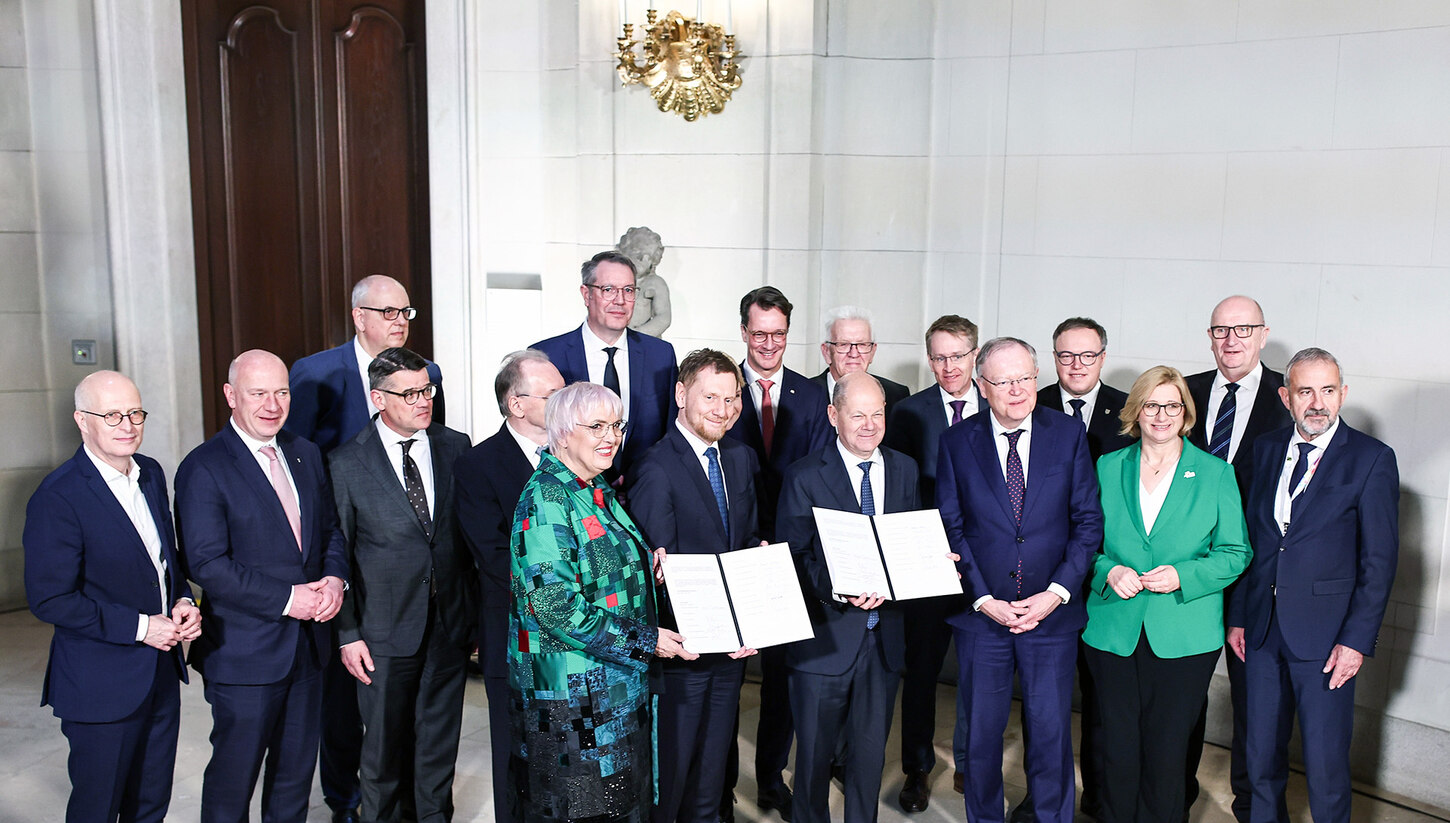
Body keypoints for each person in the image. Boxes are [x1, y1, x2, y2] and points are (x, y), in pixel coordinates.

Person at [285, 273, 443, 822]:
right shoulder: (317, 373)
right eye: (388, 311)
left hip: (404, 556)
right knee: (344, 698)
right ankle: (344, 800)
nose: (400, 320)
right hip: (338, 542)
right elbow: (297, 455)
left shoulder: (425, 372)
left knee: (403, 712)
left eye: (407, 311)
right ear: (359, 316)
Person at [175, 349, 349, 823]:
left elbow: (330, 530)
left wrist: (334, 579)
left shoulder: (304, 452)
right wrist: (290, 599)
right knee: (234, 780)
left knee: (294, 780)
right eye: (258, 393)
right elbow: (205, 563)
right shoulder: (204, 467)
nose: (272, 404)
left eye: (281, 392)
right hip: (244, 654)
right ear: (231, 396)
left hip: (309, 650)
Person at [508, 382, 695, 822]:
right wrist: (646, 641)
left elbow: (597, 567)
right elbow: (555, 606)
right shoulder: (546, 497)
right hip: (571, 704)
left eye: (615, 425)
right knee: (582, 808)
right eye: (596, 426)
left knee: (618, 805)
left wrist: (645, 567)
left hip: (610, 690)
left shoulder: (593, 486)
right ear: (561, 431)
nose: (610, 436)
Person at [1228, 348, 1399, 823]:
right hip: (1260, 633)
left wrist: (1355, 641)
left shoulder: (1371, 459)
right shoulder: (1264, 449)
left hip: (1327, 639)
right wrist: (1239, 616)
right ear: (1286, 397)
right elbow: (1254, 542)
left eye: (1328, 390)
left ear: (1343, 394)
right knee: (1259, 757)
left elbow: (1379, 562)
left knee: (1325, 766)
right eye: (1306, 391)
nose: (1317, 402)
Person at [936, 337, 1103, 823]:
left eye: (1026, 378)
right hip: (982, 618)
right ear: (982, 386)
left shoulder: (1068, 434)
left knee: (1051, 736)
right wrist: (983, 597)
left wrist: (1055, 594)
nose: (1018, 390)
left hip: (1050, 617)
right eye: (1004, 381)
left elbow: (1087, 522)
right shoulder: (956, 441)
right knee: (982, 738)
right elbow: (952, 526)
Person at [23, 371, 201, 823]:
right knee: (98, 809)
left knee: (150, 805)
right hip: (99, 684)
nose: (128, 425)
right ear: (83, 421)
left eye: (135, 413)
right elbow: (50, 599)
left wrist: (182, 600)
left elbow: (164, 561)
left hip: (160, 674)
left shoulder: (151, 474)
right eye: (112, 415)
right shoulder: (59, 496)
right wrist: (144, 626)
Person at [1082, 366, 1251, 823]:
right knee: (1115, 746)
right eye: (1151, 405)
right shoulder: (1107, 466)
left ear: (1186, 412)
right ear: (1135, 411)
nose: (1161, 415)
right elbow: (1084, 543)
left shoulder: (1215, 473)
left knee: (1167, 750)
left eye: (1172, 405)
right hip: (1113, 627)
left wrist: (1183, 576)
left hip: (1184, 632)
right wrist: (1108, 568)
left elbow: (1236, 552)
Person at [328, 347, 476, 823]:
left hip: (448, 623)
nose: (422, 400)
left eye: (426, 389)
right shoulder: (346, 464)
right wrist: (347, 633)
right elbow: (340, 556)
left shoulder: (456, 446)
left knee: (437, 744)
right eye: (409, 393)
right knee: (383, 751)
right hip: (383, 629)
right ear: (377, 398)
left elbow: (463, 539)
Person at [777, 373, 920, 823]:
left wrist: (928, 560)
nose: (869, 425)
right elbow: (793, 557)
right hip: (825, 640)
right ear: (833, 416)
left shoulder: (905, 469)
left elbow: (906, 544)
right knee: (814, 763)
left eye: (877, 414)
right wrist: (839, 586)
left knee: (869, 760)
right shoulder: (804, 475)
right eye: (857, 414)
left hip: (884, 642)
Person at [628, 349, 762, 823]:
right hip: (683, 655)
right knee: (674, 777)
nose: (722, 410)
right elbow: (653, 575)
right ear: (682, 395)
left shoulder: (742, 460)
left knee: (712, 777)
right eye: (711, 397)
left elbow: (742, 543)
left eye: (732, 399)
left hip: (733, 652)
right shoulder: (655, 467)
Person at [1009, 316, 1133, 823]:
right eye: (1065, 355)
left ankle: (1100, 799)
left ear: (1103, 356)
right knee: (1044, 704)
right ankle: (1042, 798)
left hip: (1109, 576)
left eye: (1087, 355)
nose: (1076, 365)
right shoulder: (1026, 404)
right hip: (1043, 580)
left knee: (1102, 700)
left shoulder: (1132, 409)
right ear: (1051, 359)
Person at [723, 286, 833, 820]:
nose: (769, 343)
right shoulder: (721, 389)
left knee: (783, 678)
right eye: (759, 332)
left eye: (779, 334)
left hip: (792, 554)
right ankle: (716, 786)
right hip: (733, 550)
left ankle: (770, 778)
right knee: (724, 675)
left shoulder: (813, 398)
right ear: (743, 332)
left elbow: (818, 478)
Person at [1182, 295, 1290, 822]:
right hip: (1185, 573)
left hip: (1255, 577)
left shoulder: (1286, 398)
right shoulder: (1186, 393)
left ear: (1263, 335)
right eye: (1221, 329)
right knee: (1182, 698)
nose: (1231, 340)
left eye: (1243, 329)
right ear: (1209, 336)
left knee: (1255, 704)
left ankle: (1252, 806)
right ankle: (1172, 796)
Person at [453, 349, 565, 823]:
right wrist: (562, 591)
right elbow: (494, 555)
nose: (565, 402)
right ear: (516, 404)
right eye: (553, 394)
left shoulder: (572, 455)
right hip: (516, 634)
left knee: (566, 755)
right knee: (515, 757)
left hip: (574, 638)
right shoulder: (478, 464)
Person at [883, 313, 984, 808]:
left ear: (975, 355)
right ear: (930, 359)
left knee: (978, 668)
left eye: (958, 356)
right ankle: (917, 768)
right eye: (939, 357)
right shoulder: (909, 412)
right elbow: (899, 490)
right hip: (926, 563)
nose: (948, 366)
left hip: (985, 564)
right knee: (921, 670)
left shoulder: (1001, 404)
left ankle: (970, 761)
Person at [533, 250, 679, 479]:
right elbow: (539, 431)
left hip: (645, 493)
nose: (620, 300)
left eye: (628, 290)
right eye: (608, 289)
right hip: (573, 497)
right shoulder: (548, 356)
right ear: (586, 294)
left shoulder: (660, 355)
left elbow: (670, 430)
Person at [810, 306, 910, 421]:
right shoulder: (803, 395)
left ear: (872, 351)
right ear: (826, 352)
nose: (853, 353)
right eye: (843, 344)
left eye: (862, 344)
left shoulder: (896, 396)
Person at [617, 226, 673, 337]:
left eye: (649, 257)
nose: (644, 261)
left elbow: (663, 317)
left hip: (645, 340)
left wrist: (639, 335)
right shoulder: (618, 281)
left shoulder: (656, 283)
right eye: (638, 256)